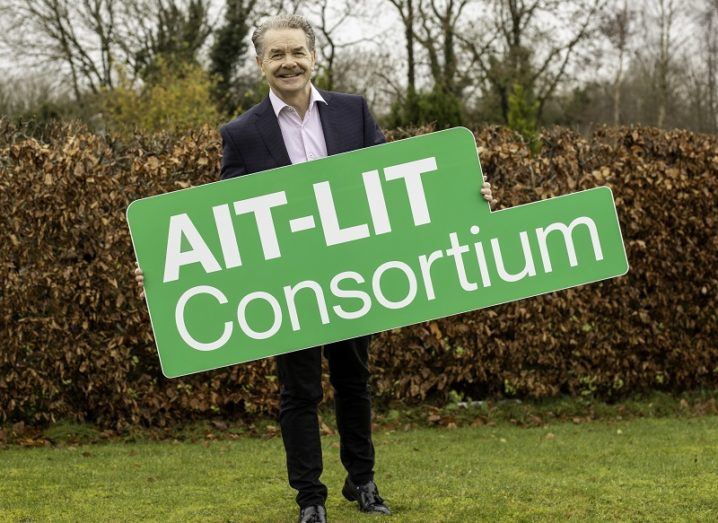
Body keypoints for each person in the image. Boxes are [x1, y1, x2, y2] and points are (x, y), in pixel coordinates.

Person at [136, 13, 495, 523]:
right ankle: (310, 499)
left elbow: (401, 188)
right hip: (290, 287)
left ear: (313, 56)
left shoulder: (354, 113)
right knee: (298, 392)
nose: (289, 62)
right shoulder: (241, 133)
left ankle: (363, 482)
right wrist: (164, 268)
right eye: (277, 54)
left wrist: (468, 198)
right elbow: (222, 222)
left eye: (297, 52)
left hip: (354, 277)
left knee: (355, 382)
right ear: (261, 64)